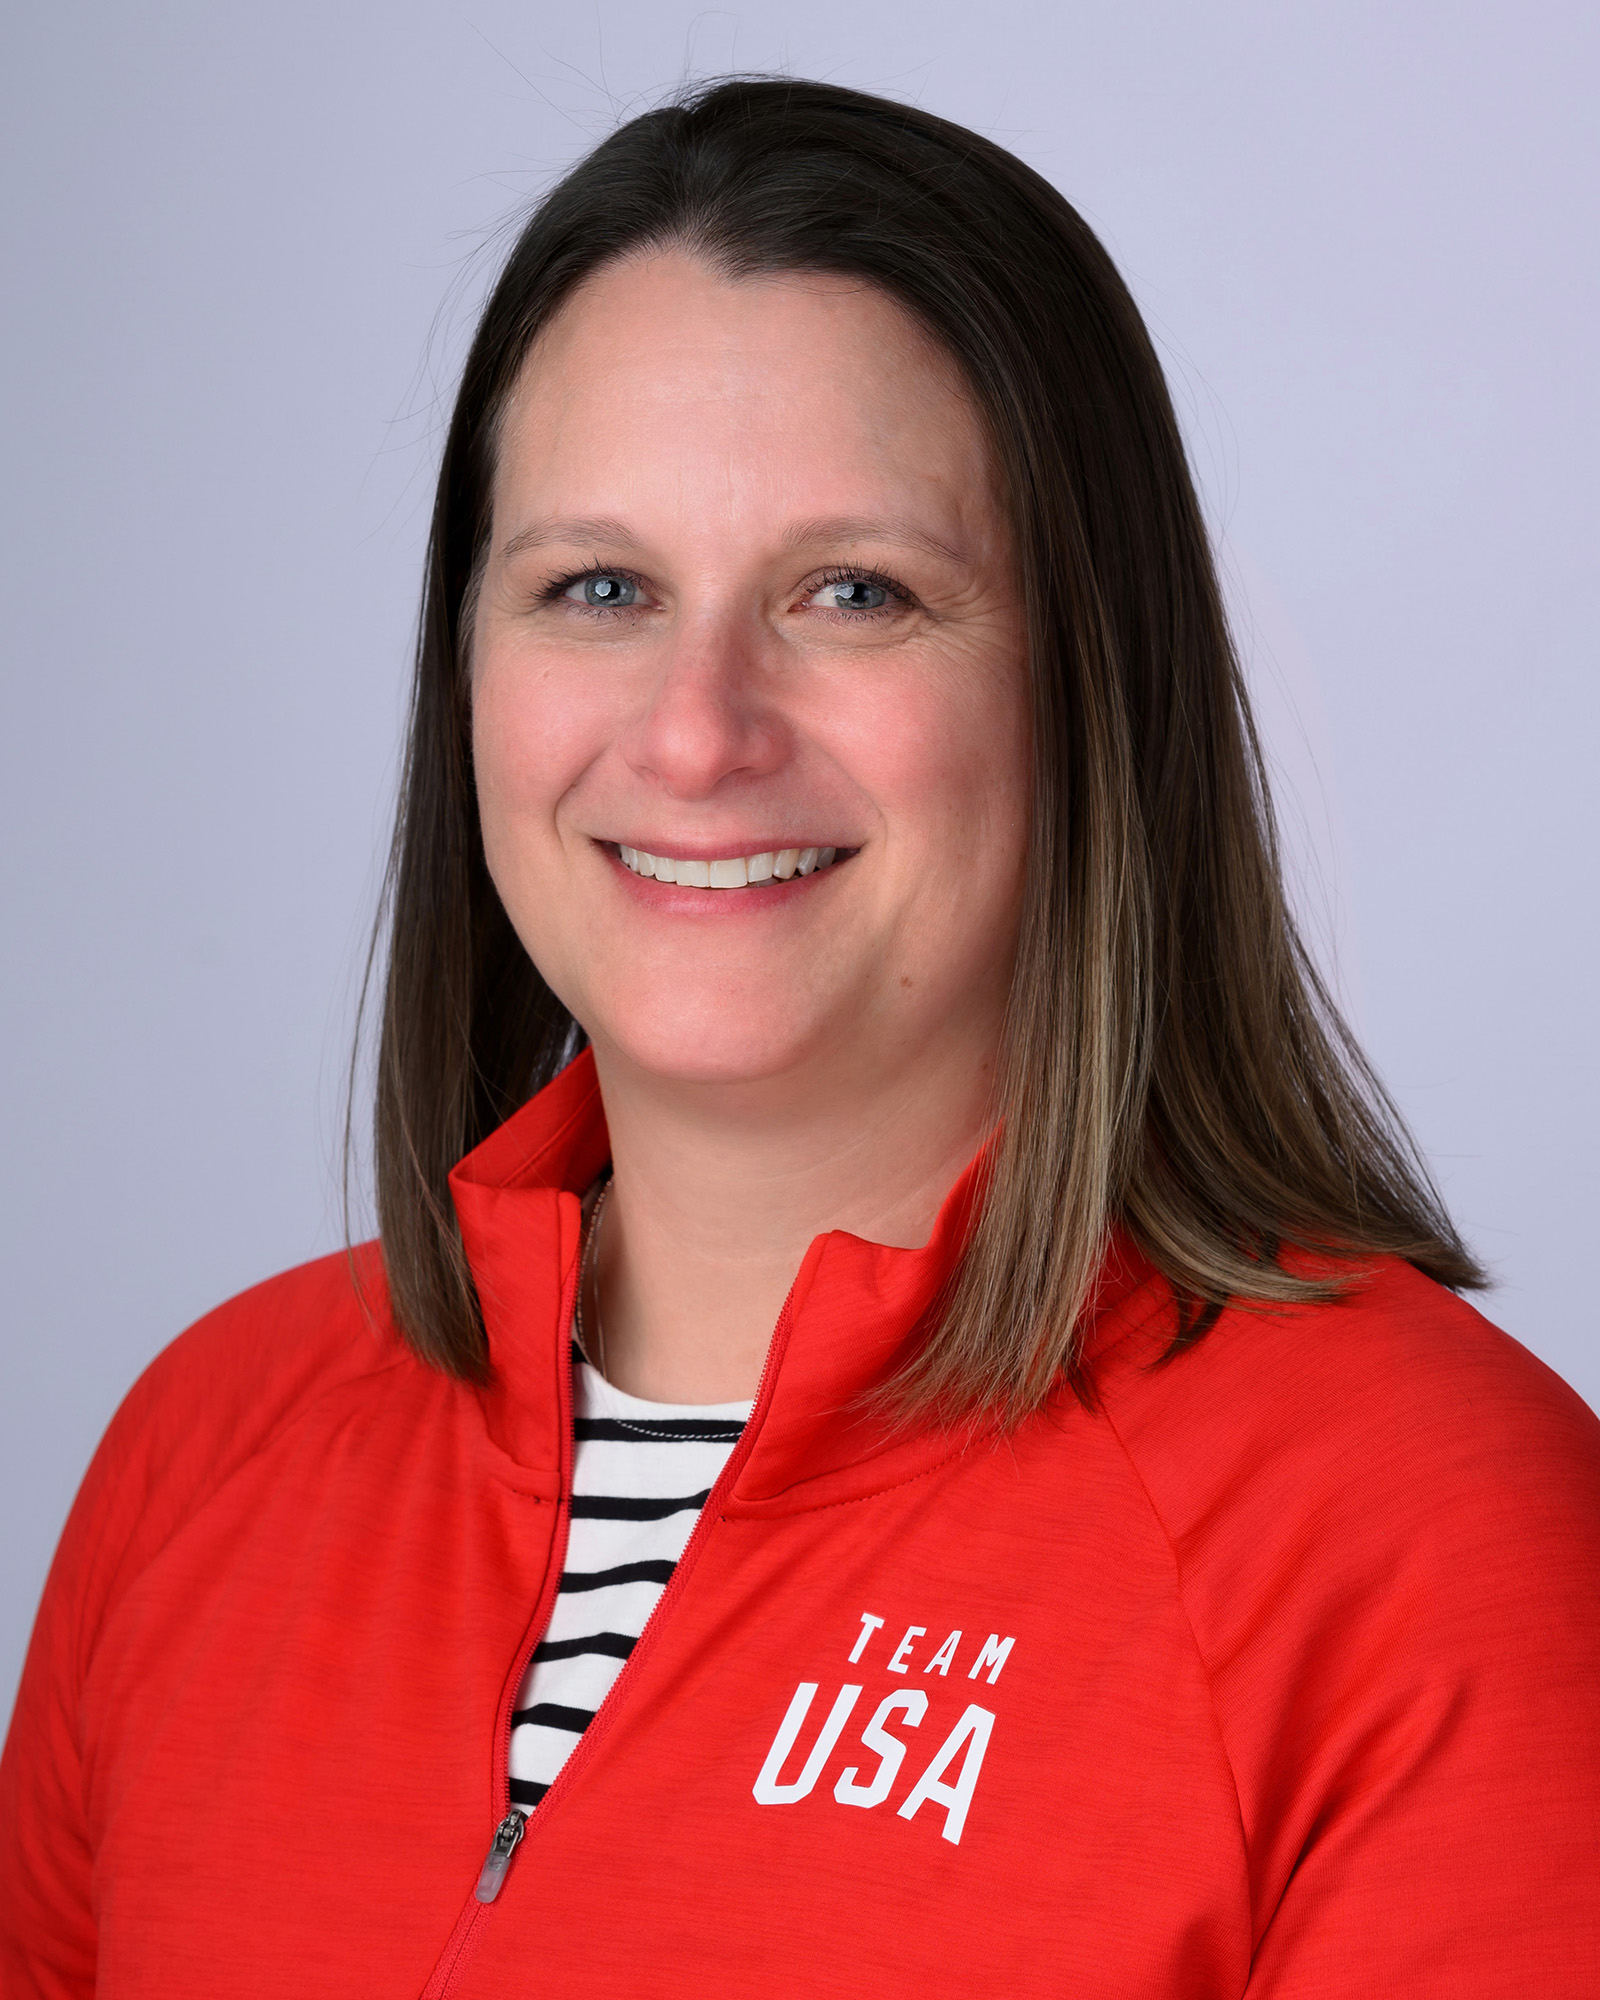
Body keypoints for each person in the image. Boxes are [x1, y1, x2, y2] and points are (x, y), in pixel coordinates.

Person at [3, 75, 1597, 1999]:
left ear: (1092, 681)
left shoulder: (1428, 1540)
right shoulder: (207, 1454)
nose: (695, 733)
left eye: (856, 592)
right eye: (598, 587)